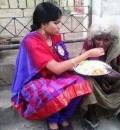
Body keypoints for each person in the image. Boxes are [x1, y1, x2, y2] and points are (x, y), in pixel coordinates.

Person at [11, 2, 104, 130]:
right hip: (36, 79)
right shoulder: (31, 42)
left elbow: (62, 61)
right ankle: (53, 121)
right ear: (43, 24)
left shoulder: (55, 36)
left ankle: (64, 117)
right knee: (52, 91)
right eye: (56, 23)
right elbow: (57, 68)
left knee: (82, 83)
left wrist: (83, 65)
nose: (60, 26)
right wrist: (87, 54)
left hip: (55, 74)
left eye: (60, 22)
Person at [81, 18, 120, 129]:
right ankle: (91, 115)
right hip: (95, 83)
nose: (101, 43)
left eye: (106, 40)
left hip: (112, 82)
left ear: (112, 39)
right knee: (86, 82)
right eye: (98, 39)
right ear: (93, 38)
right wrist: (99, 77)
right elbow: (81, 64)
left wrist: (118, 76)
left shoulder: (116, 48)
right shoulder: (89, 45)